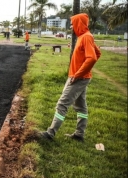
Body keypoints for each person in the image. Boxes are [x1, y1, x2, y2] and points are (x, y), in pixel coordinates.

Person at [40, 13, 101, 141]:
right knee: (81, 106)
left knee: (62, 104)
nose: (71, 26)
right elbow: (98, 53)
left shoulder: (86, 37)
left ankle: (50, 133)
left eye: (73, 23)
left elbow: (92, 58)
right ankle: (79, 134)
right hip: (80, 76)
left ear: (79, 23)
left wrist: (78, 74)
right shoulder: (83, 36)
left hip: (78, 78)